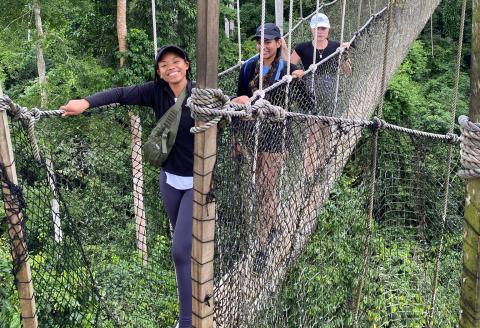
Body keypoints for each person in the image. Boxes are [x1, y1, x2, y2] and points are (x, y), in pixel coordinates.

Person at [61, 45, 194, 328]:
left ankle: (186, 322)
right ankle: (194, 287)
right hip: (169, 182)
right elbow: (121, 94)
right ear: (159, 71)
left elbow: (225, 106)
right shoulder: (155, 92)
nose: (170, 66)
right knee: (183, 244)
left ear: (187, 65)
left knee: (180, 251)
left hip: (199, 184)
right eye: (164, 64)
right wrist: (86, 102)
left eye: (176, 61)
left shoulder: (200, 93)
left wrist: (240, 101)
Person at [232, 23, 313, 273]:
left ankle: (262, 248)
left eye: (268, 41)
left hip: (277, 139)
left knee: (264, 190)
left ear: (279, 43)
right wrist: (236, 137)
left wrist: (301, 80)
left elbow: (309, 104)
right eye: (260, 41)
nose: (263, 46)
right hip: (251, 135)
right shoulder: (248, 67)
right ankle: (274, 225)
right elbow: (237, 101)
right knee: (262, 188)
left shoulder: (287, 69)